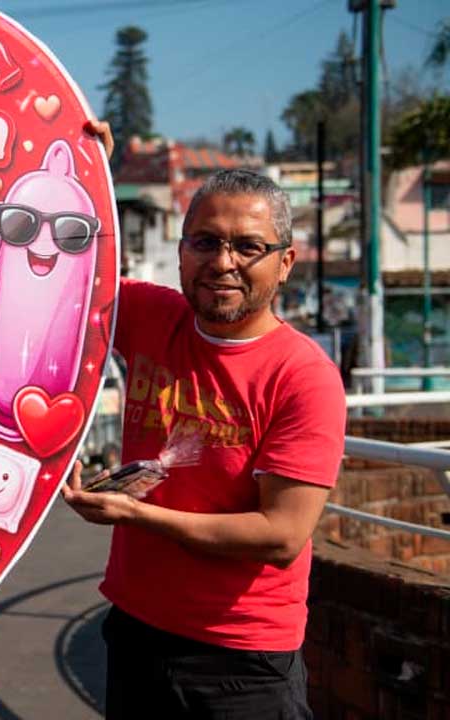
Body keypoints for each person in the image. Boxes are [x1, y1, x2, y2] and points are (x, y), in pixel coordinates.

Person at [61, 169, 346, 718]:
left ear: (285, 262)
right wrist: (85, 166)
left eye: (249, 247)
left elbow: (281, 533)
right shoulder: (152, 315)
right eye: (206, 242)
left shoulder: (303, 376)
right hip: (134, 633)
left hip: (242, 659)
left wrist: (137, 515)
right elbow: (68, 268)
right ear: (181, 251)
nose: (223, 261)